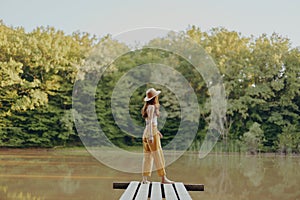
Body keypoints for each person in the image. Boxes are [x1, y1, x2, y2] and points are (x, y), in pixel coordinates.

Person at [141, 88, 174, 184]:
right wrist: (152, 135)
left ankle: (144, 179)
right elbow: (151, 122)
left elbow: (148, 123)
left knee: (147, 156)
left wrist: (157, 131)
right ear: (154, 97)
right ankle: (164, 178)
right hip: (151, 133)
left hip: (146, 133)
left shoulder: (147, 107)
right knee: (158, 155)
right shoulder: (152, 107)